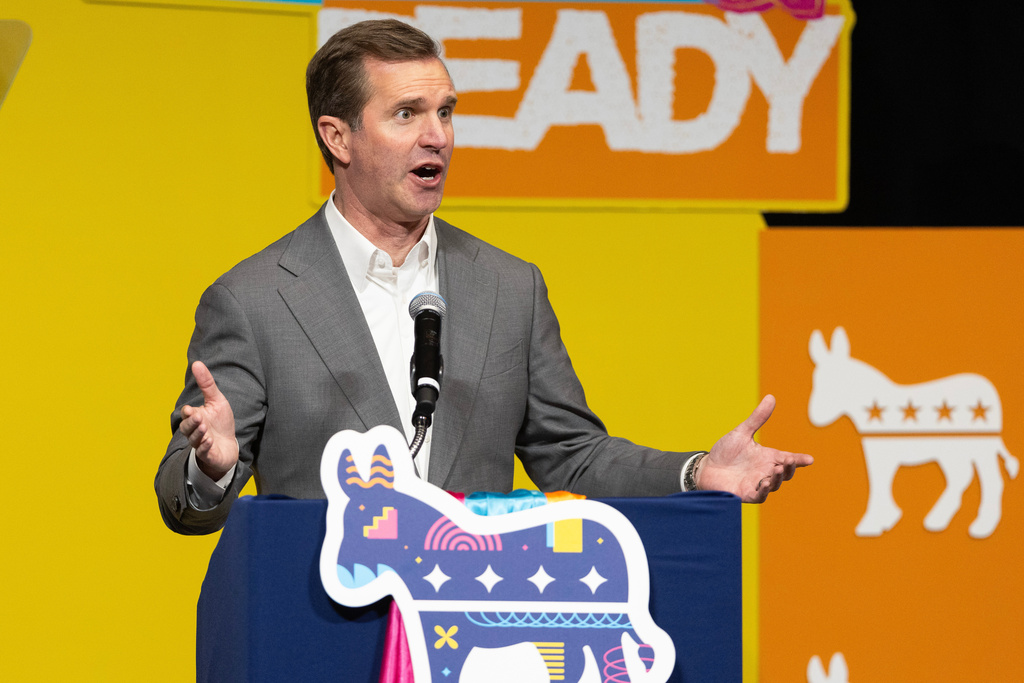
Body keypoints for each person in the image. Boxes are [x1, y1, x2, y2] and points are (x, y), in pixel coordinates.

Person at [155, 19, 812, 535]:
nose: (437, 135)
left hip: (476, 637)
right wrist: (210, 469)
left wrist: (697, 470)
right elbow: (183, 501)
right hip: (324, 634)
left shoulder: (509, 287)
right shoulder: (253, 299)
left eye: (446, 111)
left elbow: (572, 454)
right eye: (407, 114)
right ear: (338, 137)